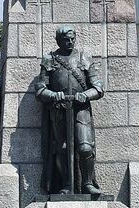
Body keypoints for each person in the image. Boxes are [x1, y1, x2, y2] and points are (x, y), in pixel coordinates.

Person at [34, 26, 103, 196]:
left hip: (81, 110)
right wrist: (53, 95)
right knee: (63, 149)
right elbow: (40, 90)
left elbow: (98, 88)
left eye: (72, 38)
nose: (70, 42)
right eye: (66, 39)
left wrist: (85, 95)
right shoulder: (50, 59)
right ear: (58, 40)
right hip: (59, 110)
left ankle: (87, 183)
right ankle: (66, 184)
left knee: (85, 148)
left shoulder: (83, 57)